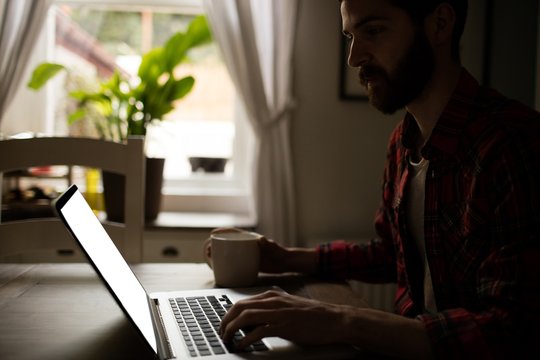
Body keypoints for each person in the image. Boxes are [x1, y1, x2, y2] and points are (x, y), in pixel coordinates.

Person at [216, 0, 540, 358]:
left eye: (373, 31)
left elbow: (510, 330)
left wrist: (341, 320)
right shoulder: (404, 142)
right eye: (350, 36)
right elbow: (391, 254)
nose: (354, 58)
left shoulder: (514, 144)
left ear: (440, 24)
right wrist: (287, 258)